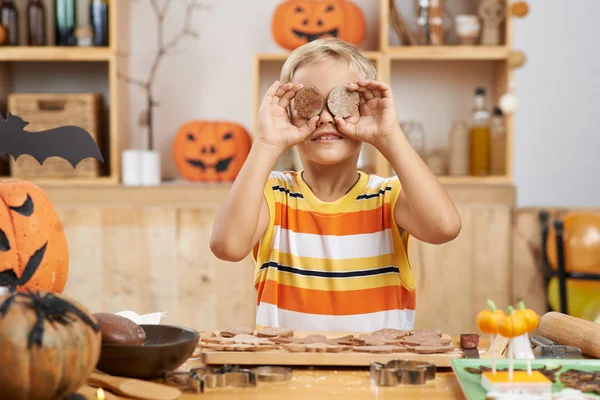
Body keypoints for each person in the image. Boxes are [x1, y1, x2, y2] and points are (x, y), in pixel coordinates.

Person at [210, 38, 461, 332]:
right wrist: (267, 142)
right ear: (289, 110)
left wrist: (389, 135)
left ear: (365, 106)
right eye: (310, 101)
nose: (326, 117)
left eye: (342, 100)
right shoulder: (273, 196)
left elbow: (444, 228)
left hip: (376, 372)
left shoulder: (388, 197)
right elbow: (227, 246)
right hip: (286, 371)